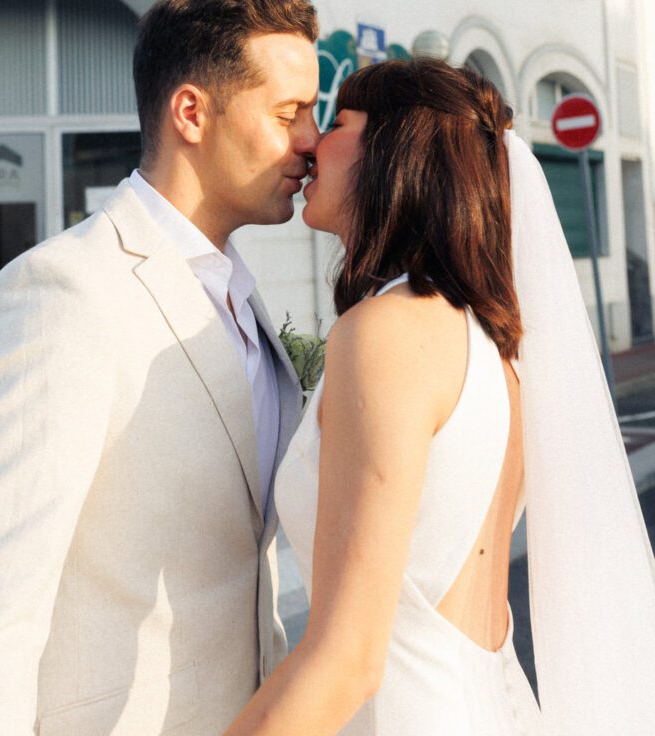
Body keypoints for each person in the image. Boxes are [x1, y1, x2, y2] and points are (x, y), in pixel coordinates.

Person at [0, 0, 321, 736]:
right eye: (291, 113)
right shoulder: (60, 293)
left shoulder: (241, 298)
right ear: (192, 113)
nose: (313, 141)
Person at [224, 57, 655, 736]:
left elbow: (347, 658)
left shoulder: (388, 332)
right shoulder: (485, 343)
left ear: (397, 154)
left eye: (337, 122)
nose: (309, 144)